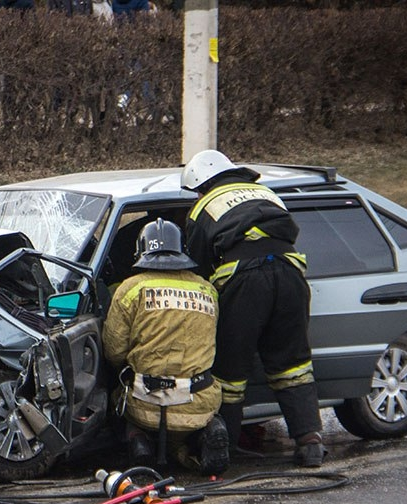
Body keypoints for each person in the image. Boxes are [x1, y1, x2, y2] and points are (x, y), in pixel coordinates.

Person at [181, 149, 326, 468]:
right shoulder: (266, 193)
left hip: (245, 283)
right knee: (293, 363)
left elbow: (198, 265)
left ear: (201, 185)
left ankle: (225, 446)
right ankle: (310, 441)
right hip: (290, 276)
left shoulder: (203, 206)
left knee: (230, 371)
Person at [102, 218, 228, 475]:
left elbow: (113, 350)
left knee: (116, 397)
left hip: (144, 400)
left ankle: (138, 440)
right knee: (188, 420)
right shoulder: (208, 290)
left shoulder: (130, 289)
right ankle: (202, 436)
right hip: (198, 400)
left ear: (141, 252)